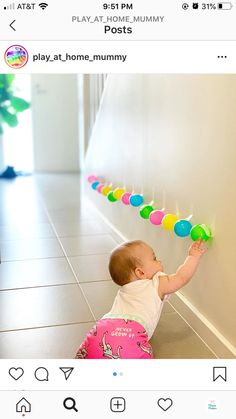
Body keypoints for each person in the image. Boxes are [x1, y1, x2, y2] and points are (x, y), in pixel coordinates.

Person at [75, 238, 206, 359]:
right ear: (141, 273)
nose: (159, 261)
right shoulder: (157, 282)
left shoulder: (125, 289)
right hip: (129, 336)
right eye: (155, 259)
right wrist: (192, 257)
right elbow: (181, 277)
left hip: (101, 328)